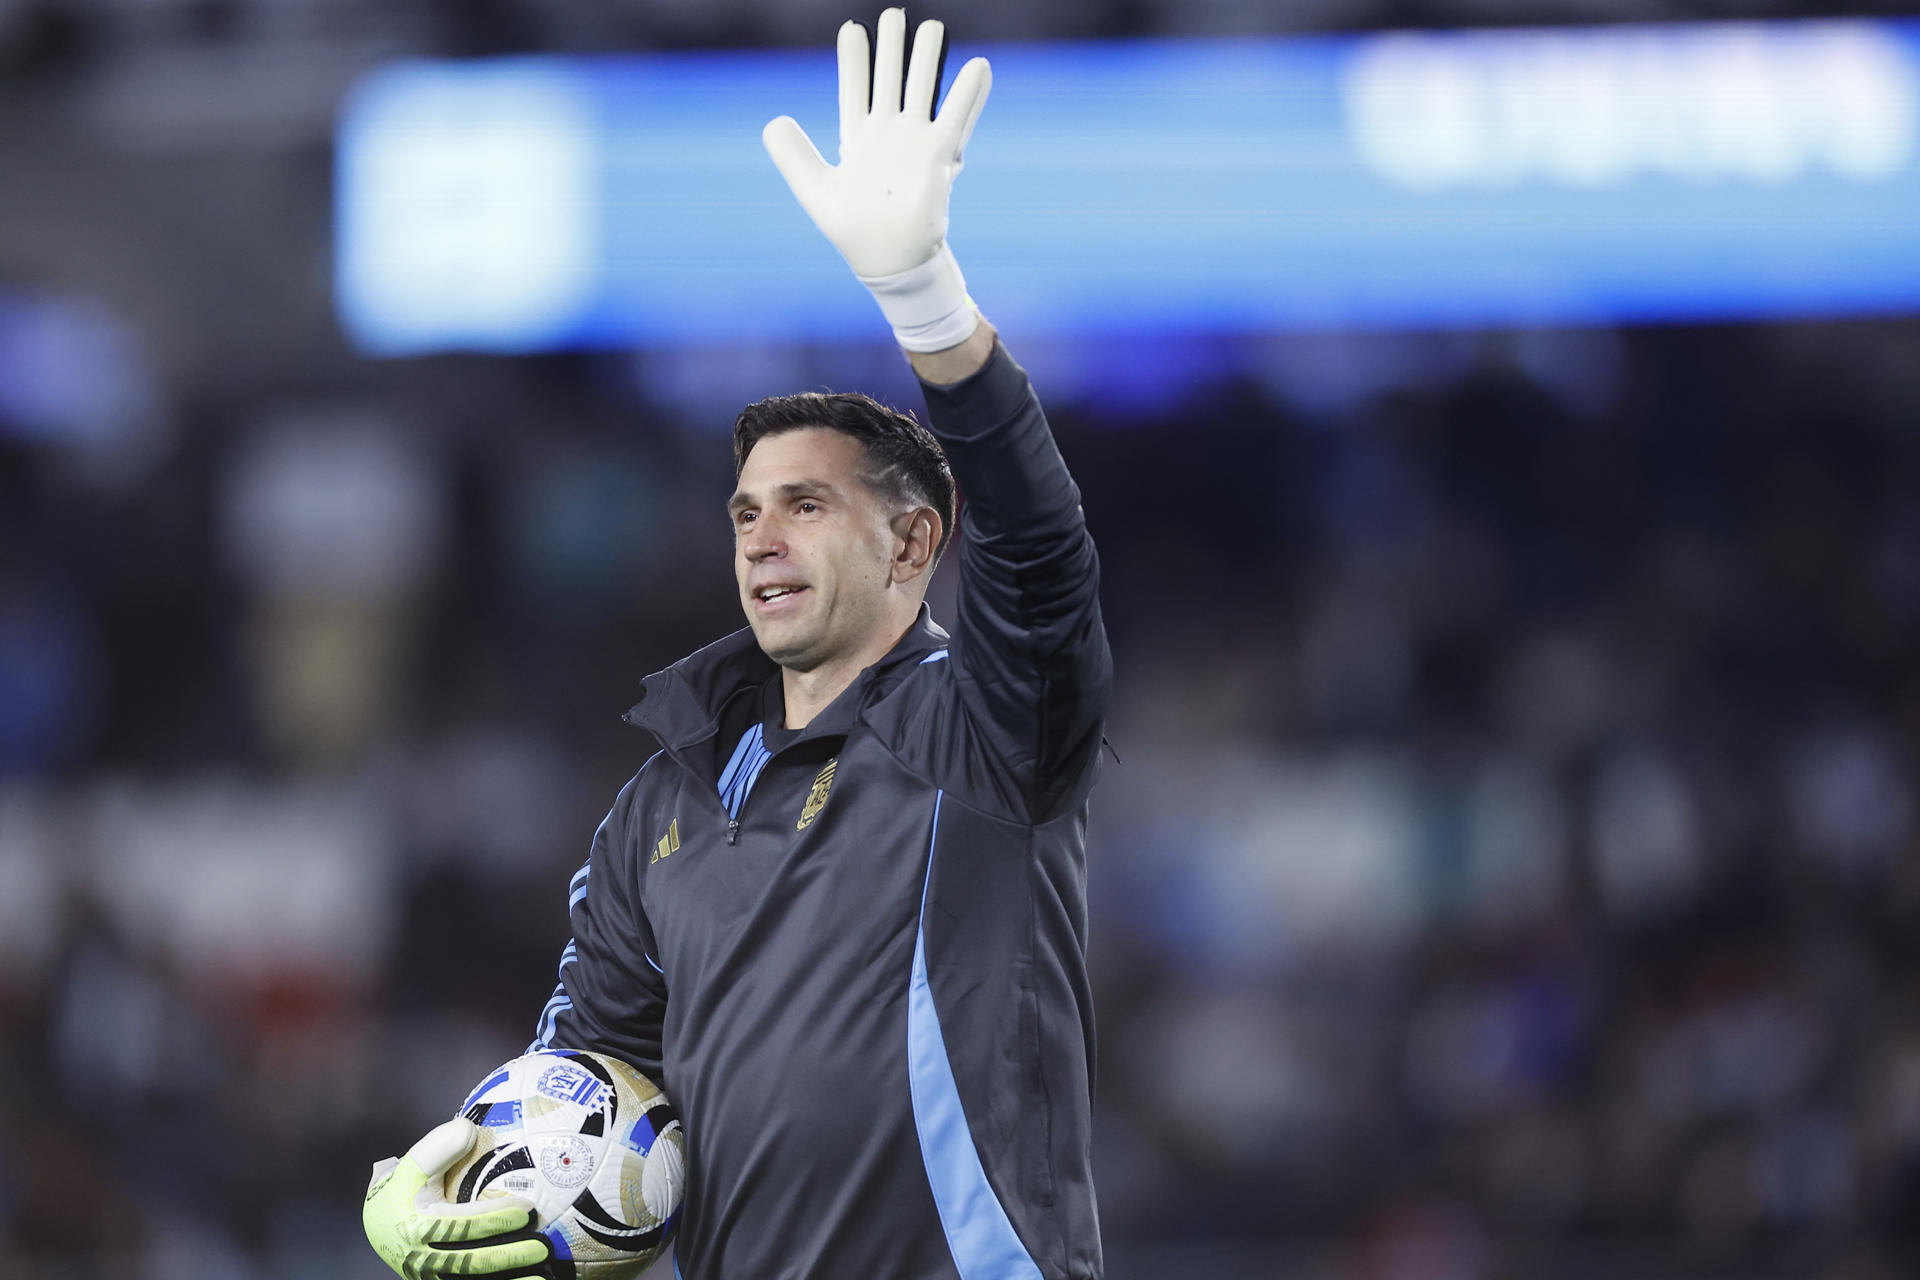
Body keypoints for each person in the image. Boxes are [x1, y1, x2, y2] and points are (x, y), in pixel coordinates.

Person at [364, 10, 1110, 1278]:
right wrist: (460, 1163)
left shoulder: (986, 735)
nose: (763, 538)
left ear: (915, 543)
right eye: (747, 511)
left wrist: (926, 302)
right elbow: (589, 1074)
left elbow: (1042, 554)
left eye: (808, 505)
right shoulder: (660, 798)